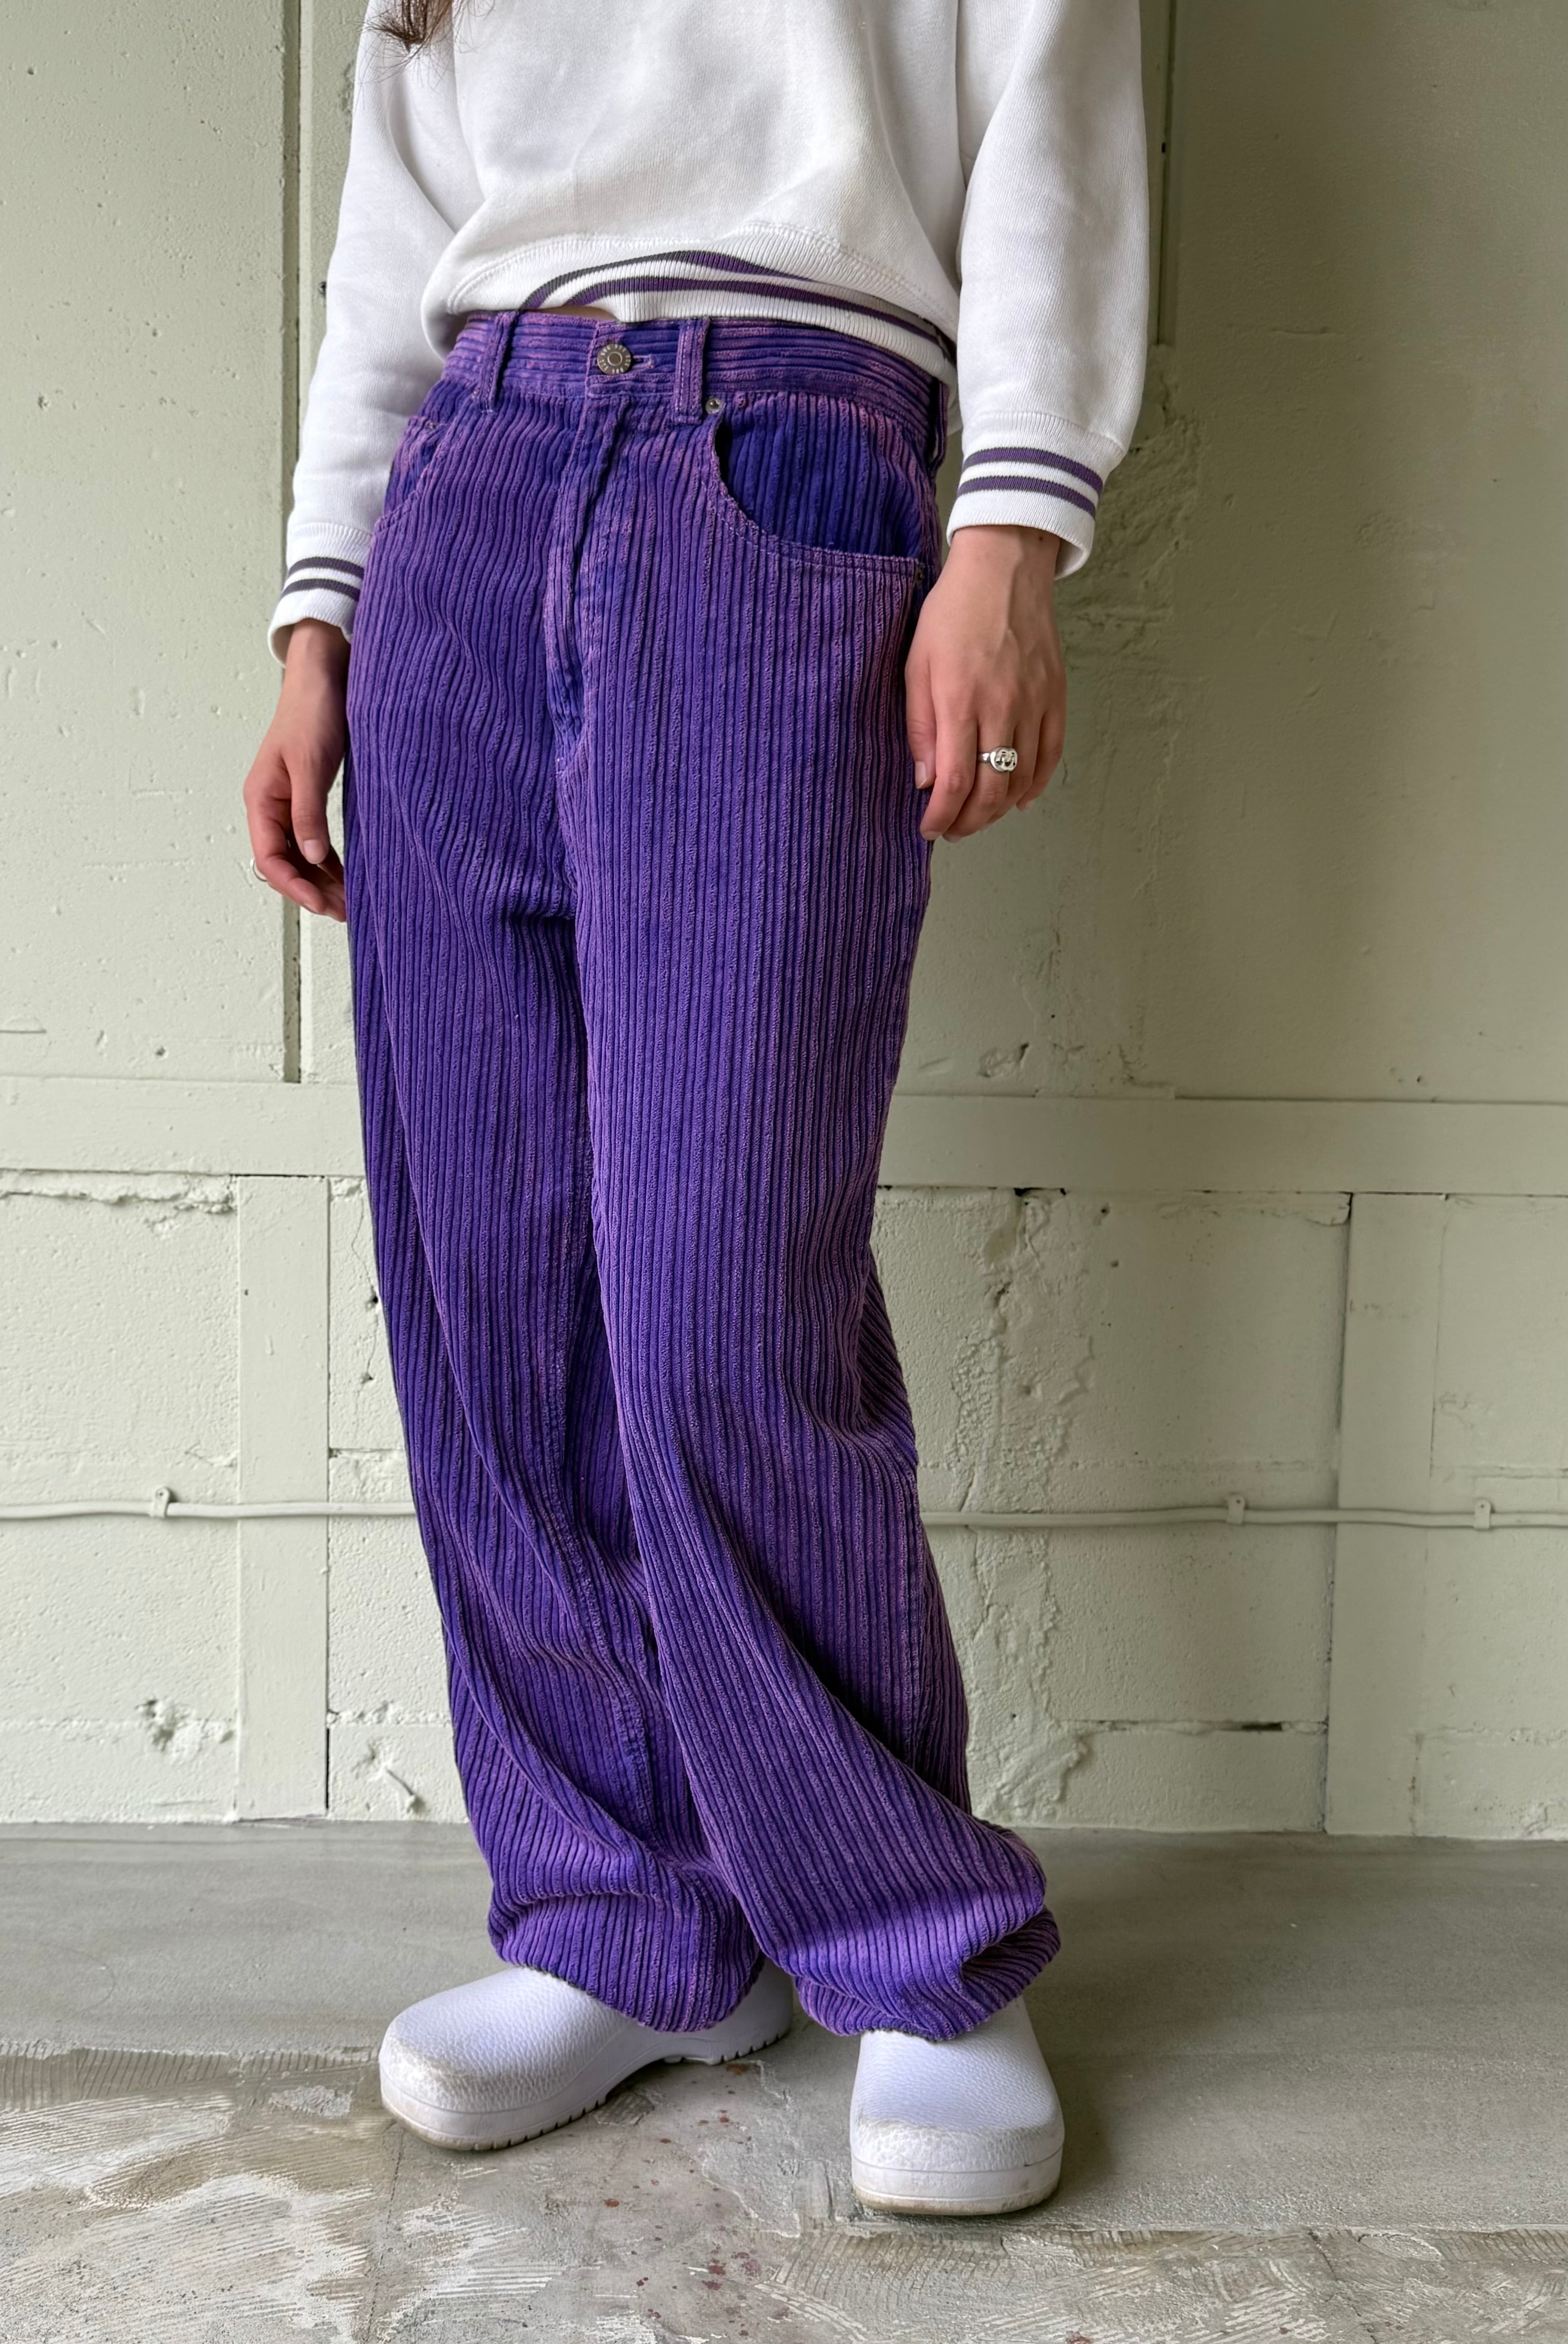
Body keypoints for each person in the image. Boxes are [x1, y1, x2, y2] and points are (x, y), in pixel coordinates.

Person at [242, 0, 1147, 2217]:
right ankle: (625, 1915)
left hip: (790, 445)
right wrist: (321, 609)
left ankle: (909, 1940)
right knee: (492, 1286)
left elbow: (1050, 105)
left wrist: (1014, 523)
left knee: (725, 1284)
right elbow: (393, 215)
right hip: (470, 479)